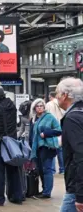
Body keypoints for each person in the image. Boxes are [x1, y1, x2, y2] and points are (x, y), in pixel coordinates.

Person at [55, 77, 83, 212]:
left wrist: (80, 195)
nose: (56, 97)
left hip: (76, 187)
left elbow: (80, 155)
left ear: (65, 95)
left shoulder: (72, 118)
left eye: (57, 93)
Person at [28, 98, 61, 199]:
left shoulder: (49, 117)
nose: (39, 108)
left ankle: (47, 192)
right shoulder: (33, 119)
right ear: (34, 108)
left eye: (41, 106)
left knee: (47, 169)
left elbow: (59, 130)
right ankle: (44, 189)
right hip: (36, 147)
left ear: (44, 107)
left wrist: (46, 133)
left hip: (47, 146)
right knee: (40, 169)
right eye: (37, 106)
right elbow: (31, 134)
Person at [46, 91, 65, 174]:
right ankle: (62, 169)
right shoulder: (61, 103)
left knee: (51, 147)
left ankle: (52, 170)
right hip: (61, 127)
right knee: (60, 149)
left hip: (52, 128)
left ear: (50, 97)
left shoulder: (49, 104)